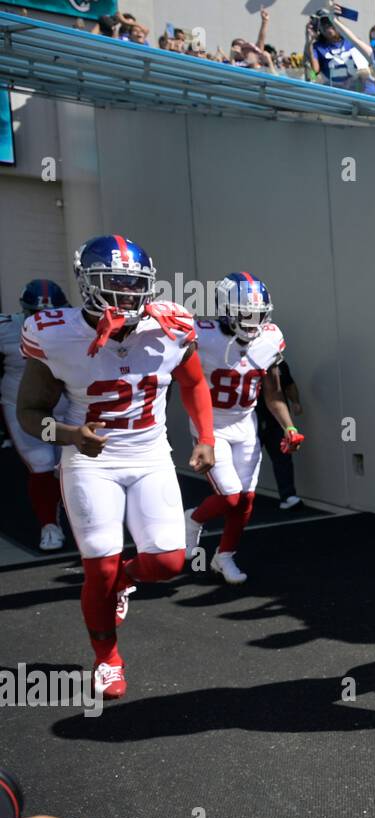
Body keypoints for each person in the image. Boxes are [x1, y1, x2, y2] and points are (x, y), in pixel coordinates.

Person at [15, 235, 216, 700]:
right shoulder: (54, 332)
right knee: (98, 571)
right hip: (91, 462)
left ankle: (126, 578)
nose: (127, 294)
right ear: (87, 284)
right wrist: (69, 435)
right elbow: (29, 413)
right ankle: (106, 658)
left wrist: (205, 437)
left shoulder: (171, 324)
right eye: (115, 284)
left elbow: (194, 383)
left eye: (135, 284)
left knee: (168, 562)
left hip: (149, 454)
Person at [184, 274, 304, 585]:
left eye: (258, 314)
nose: (252, 321)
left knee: (246, 500)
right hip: (212, 425)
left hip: (245, 424)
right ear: (225, 309)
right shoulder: (202, 334)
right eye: (244, 313)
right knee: (230, 497)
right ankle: (192, 519)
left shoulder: (269, 337)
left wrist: (289, 426)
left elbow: (273, 393)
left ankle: (224, 556)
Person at [0, 280, 72, 551]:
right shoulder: (7, 328)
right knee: (42, 463)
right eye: (36, 315)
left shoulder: (79, 324)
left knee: (73, 464)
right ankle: (49, 525)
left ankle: (80, 519)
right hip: (24, 407)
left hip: (69, 406)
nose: (44, 321)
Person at [257, 359, 304, 509]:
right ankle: (239, 497)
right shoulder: (246, 362)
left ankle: (288, 495)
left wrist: (296, 402)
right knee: (247, 460)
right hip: (251, 420)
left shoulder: (280, 363)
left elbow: (289, 384)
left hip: (276, 421)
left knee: (283, 458)